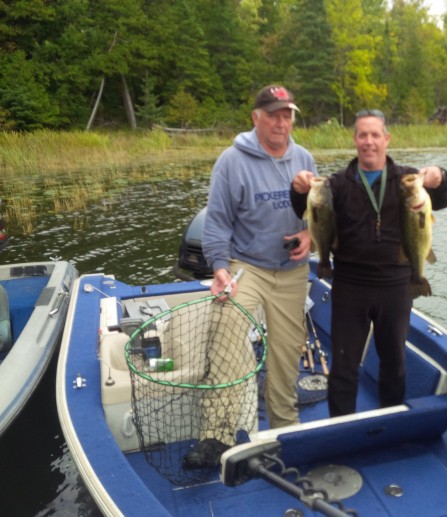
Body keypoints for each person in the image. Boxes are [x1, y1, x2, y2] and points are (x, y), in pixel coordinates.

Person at [290, 109, 447, 417]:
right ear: (355, 140)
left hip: (396, 286)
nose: (369, 141)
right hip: (350, 286)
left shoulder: (407, 180)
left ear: (386, 139)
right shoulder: (337, 184)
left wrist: (440, 176)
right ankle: (341, 426)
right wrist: (298, 191)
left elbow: (445, 199)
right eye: (363, 135)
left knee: (394, 362)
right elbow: (309, 209)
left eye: (375, 135)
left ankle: (389, 422)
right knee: (344, 365)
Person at [185, 85, 315, 468]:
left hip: (292, 271)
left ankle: (284, 429)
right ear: (256, 117)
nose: (281, 122)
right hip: (247, 266)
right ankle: (216, 436)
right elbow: (217, 222)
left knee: (287, 352)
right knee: (225, 328)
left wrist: (311, 235)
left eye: (287, 114)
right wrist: (219, 268)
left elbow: (318, 213)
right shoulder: (231, 161)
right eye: (273, 114)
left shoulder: (304, 158)